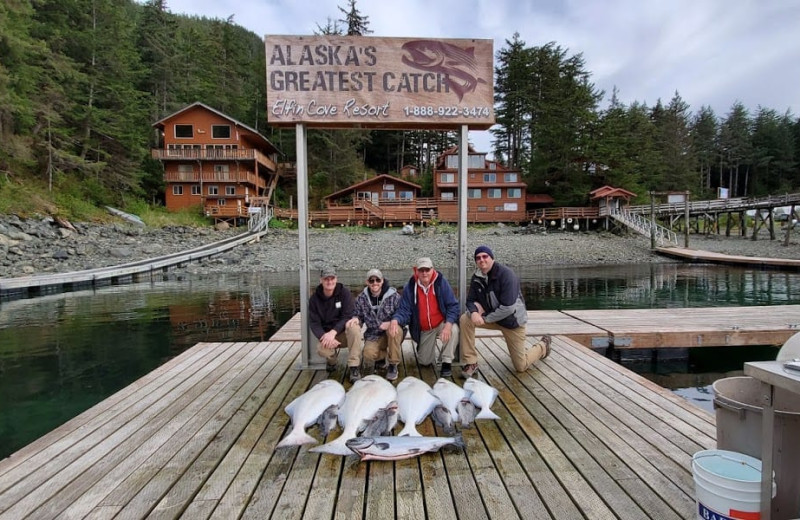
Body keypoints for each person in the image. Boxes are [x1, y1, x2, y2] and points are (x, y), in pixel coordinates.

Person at [459, 245, 550, 378]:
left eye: (485, 256)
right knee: (465, 319)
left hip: (512, 322)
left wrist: (485, 319)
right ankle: (471, 363)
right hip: (493, 318)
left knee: (521, 366)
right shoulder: (476, 277)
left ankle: (543, 346)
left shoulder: (507, 275)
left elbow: (508, 308)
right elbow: (470, 300)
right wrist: (473, 312)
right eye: (478, 258)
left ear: (492, 258)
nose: (482, 260)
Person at [389, 257, 460, 377]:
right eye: (421, 270)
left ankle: (446, 361)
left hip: (441, 323)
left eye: (427, 269)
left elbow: (453, 306)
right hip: (425, 329)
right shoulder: (410, 287)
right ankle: (424, 348)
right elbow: (404, 310)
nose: (424, 273)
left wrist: (447, 325)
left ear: (432, 269)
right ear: (415, 270)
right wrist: (395, 320)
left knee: (453, 329)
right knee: (424, 362)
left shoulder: (441, 283)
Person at [308, 266, 363, 382]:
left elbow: (347, 316)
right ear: (321, 280)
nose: (329, 281)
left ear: (336, 279)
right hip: (328, 336)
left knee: (354, 328)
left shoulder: (345, 293)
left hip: (344, 333)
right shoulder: (314, 299)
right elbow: (314, 323)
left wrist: (334, 332)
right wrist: (325, 336)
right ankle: (332, 361)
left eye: (332, 278)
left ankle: (354, 366)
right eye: (326, 279)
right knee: (321, 349)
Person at [349, 268, 404, 381]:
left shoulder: (394, 296)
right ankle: (382, 356)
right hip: (373, 334)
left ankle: (393, 365)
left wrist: (391, 322)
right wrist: (356, 319)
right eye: (371, 280)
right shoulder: (361, 298)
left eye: (377, 280)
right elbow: (358, 315)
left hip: (392, 331)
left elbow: (403, 314)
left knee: (394, 329)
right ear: (367, 282)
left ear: (382, 281)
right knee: (368, 354)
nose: (375, 283)